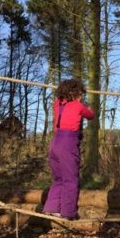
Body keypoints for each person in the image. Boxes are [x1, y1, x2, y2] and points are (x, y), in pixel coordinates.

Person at [43, 79, 95, 220]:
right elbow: (91, 115)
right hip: (68, 143)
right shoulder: (78, 106)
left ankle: (51, 208)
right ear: (74, 93)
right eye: (80, 94)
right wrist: (89, 106)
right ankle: (68, 213)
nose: (81, 96)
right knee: (70, 179)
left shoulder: (57, 104)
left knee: (59, 178)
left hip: (55, 143)